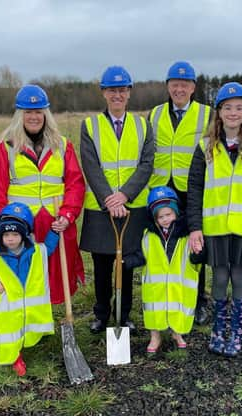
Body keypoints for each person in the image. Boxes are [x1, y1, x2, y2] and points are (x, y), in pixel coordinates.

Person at [187, 82, 242, 357]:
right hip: (216, 227)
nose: (233, 113)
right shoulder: (205, 148)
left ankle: (236, 332)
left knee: (240, 277)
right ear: (219, 113)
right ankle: (218, 330)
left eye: (239, 108)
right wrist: (195, 228)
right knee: (219, 277)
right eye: (227, 108)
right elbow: (195, 190)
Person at [0, 85, 85, 305]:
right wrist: (1, 227)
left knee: (56, 277)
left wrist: (68, 215)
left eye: (38, 111)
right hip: (22, 226)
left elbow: (76, 184)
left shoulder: (62, 146)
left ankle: (47, 318)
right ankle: (28, 320)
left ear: (46, 114)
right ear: (19, 115)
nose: (33, 117)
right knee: (25, 276)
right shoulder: (5, 149)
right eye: (28, 112)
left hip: (55, 223)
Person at [80, 65, 154, 334]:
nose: (117, 95)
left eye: (122, 90)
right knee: (101, 265)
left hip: (132, 205)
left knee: (127, 265)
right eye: (112, 90)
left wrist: (125, 195)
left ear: (129, 93)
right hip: (102, 207)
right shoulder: (89, 125)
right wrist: (110, 199)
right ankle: (101, 314)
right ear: (104, 93)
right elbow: (90, 165)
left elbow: (146, 164)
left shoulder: (143, 125)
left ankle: (124, 315)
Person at [148, 61, 212, 325]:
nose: (179, 89)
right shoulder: (155, 114)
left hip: (192, 190)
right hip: (162, 190)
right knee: (163, 247)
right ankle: (164, 299)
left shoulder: (207, 114)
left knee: (194, 245)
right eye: (175, 84)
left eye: (185, 84)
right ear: (168, 86)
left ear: (193, 87)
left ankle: (198, 301)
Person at [0, 202, 58, 376]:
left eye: (15, 234)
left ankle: (29, 344)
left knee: (27, 327)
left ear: (24, 235)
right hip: (8, 306)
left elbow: (47, 249)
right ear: (0, 235)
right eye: (6, 235)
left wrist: (55, 232)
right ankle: (15, 357)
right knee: (11, 334)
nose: (10, 239)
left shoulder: (34, 251)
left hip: (27, 306)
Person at [123, 186, 203, 353]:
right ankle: (155, 336)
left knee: (177, 309)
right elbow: (142, 254)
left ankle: (177, 333)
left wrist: (198, 253)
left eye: (169, 214)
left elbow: (195, 259)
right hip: (156, 287)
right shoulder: (148, 235)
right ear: (154, 218)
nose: (166, 219)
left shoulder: (185, 235)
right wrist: (127, 261)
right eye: (161, 216)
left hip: (178, 285)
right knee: (154, 310)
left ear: (176, 213)